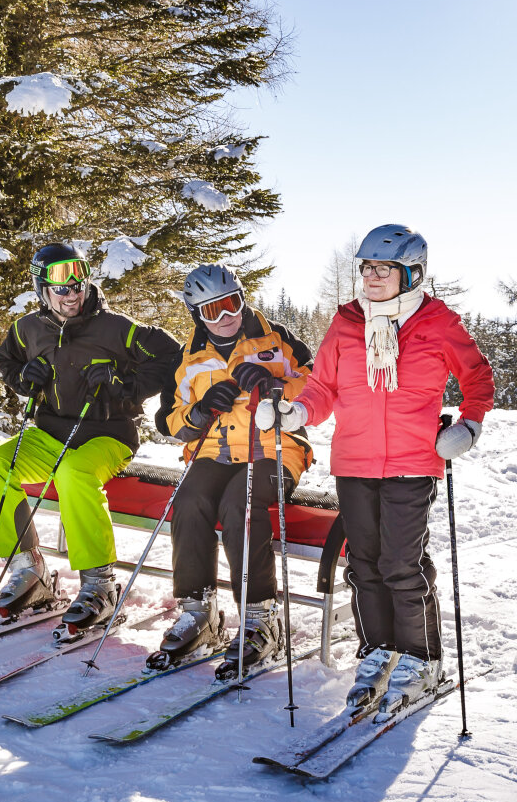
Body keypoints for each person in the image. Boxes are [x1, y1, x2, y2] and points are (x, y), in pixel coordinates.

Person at [259, 224, 493, 717]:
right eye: (367, 267)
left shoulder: (438, 322)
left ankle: (421, 659)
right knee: (363, 564)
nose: (373, 276)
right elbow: (323, 387)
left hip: (412, 462)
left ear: (413, 273)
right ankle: (379, 650)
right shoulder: (346, 323)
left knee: (401, 565)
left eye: (384, 268)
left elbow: (477, 376)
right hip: (355, 460)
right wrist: (298, 413)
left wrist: (469, 426)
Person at [0, 243, 182, 634]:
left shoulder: (116, 328)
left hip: (107, 435)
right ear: (42, 287)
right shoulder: (27, 329)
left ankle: (99, 585)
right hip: (50, 432)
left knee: (72, 473)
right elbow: (6, 359)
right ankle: (28, 569)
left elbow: (170, 355)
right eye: (60, 280)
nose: (72, 289)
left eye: (78, 276)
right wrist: (24, 379)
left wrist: (125, 386)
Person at [153, 265, 316, 675]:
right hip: (213, 450)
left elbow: (316, 383)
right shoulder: (186, 357)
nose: (225, 315)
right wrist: (202, 408)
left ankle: (262, 618)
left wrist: (275, 385)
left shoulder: (275, 338)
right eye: (212, 310)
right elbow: (169, 420)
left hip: (273, 450)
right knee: (188, 502)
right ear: (196, 315)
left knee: (240, 504)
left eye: (232, 303)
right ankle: (198, 612)